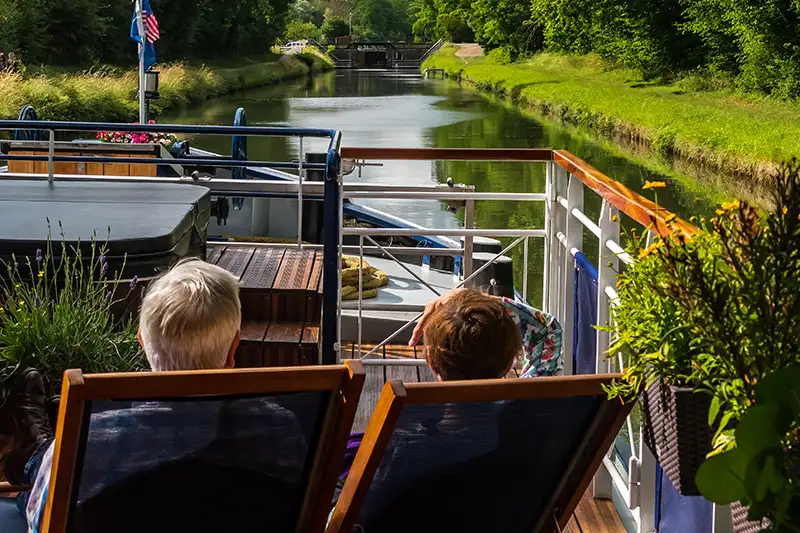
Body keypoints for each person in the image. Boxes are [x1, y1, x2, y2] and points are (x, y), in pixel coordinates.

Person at [4, 258, 308, 532]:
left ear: (142, 344)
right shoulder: (281, 429)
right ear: (233, 349)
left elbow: (42, 522)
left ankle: (35, 453)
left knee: (34, 495)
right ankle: (33, 453)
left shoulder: (91, 441)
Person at [338, 288, 562, 482]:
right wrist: (475, 301)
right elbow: (547, 330)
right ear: (506, 368)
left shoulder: (401, 450)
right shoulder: (526, 429)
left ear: (432, 364)